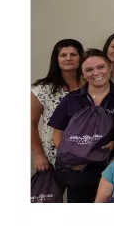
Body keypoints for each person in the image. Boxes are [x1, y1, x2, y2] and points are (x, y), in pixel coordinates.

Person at [48, 49, 114, 203]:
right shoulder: (72, 99)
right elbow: (57, 131)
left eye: (101, 67)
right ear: (83, 74)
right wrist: (70, 158)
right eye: (89, 69)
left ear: (110, 68)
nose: (96, 73)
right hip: (80, 174)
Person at [31, 39, 84, 170]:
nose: (68, 58)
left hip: (85, 155)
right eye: (63, 55)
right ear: (56, 59)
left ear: (81, 58)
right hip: (53, 155)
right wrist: (38, 154)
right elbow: (30, 123)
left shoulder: (90, 86)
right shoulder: (42, 89)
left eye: (73, 54)